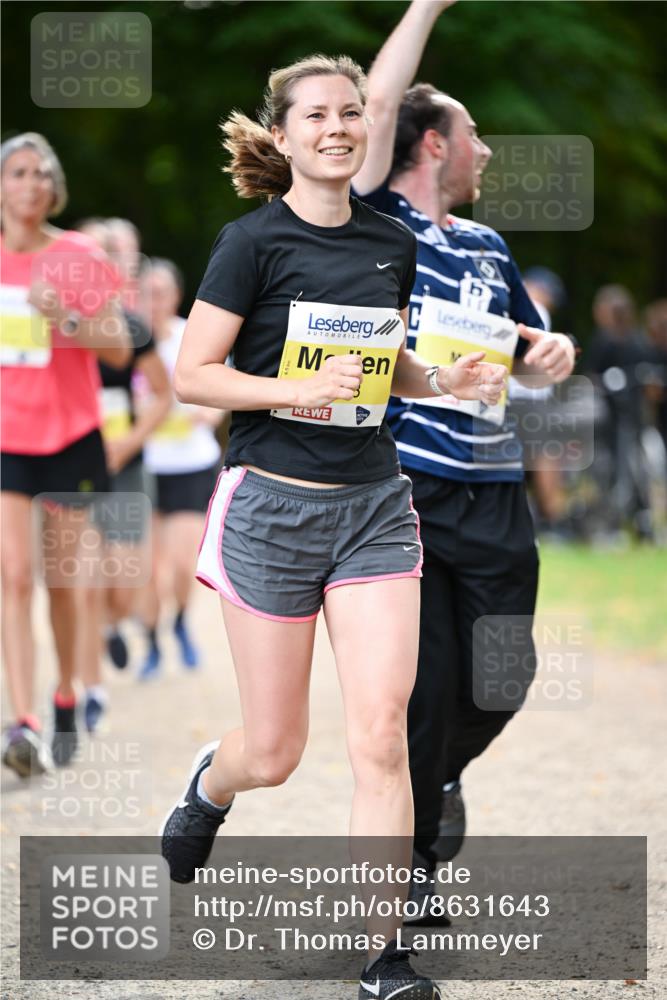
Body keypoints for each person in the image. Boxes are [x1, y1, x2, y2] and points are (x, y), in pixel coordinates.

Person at [159, 54, 506, 1000]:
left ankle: (380, 957)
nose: (339, 127)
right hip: (269, 508)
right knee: (274, 751)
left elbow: (383, 363)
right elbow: (192, 374)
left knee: (380, 736)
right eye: (317, 115)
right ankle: (211, 784)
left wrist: (444, 381)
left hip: (371, 509)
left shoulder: (390, 241)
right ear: (283, 135)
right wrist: (290, 391)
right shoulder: (250, 242)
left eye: (352, 113)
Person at [351, 0, 577, 910]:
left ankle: (437, 778)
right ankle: (400, 878)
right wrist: (425, 7)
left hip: (491, 487)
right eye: (472, 134)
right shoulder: (372, 224)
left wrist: (546, 354)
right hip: (403, 488)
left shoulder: (485, 244)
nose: (484, 150)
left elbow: (522, 350)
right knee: (424, 682)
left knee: (502, 676)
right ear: (433, 145)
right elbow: (378, 104)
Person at [0, 133, 130, 776]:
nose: (32, 183)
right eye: (19, 172)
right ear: (1, 186)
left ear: (55, 188)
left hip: (72, 437)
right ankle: (20, 722)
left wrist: (66, 322)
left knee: (62, 583)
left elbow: (118, 350)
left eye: (42, 173)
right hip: (6, 439)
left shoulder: (77, 254)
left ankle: (65, 696)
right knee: (13, 576)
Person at [75, 219, 172, 731]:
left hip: (126, 464)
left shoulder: (133, 328)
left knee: (123, 578)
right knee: (84, 577)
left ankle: (116, 622)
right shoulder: (60, 322)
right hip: (72, 462)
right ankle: (90, 691)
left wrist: (130, 442)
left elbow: (163, 393)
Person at [137, 258, 223, 679]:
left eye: (160, 293)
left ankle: (181, 623)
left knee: (182, 563)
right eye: (145, 293)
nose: (152, 302)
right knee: (151, 569)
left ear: (174, 296)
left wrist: (209, 415)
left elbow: (221, 386)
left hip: (190, 464)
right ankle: (152, 642)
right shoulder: (125, 342)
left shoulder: (192, 335)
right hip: (144, 467)